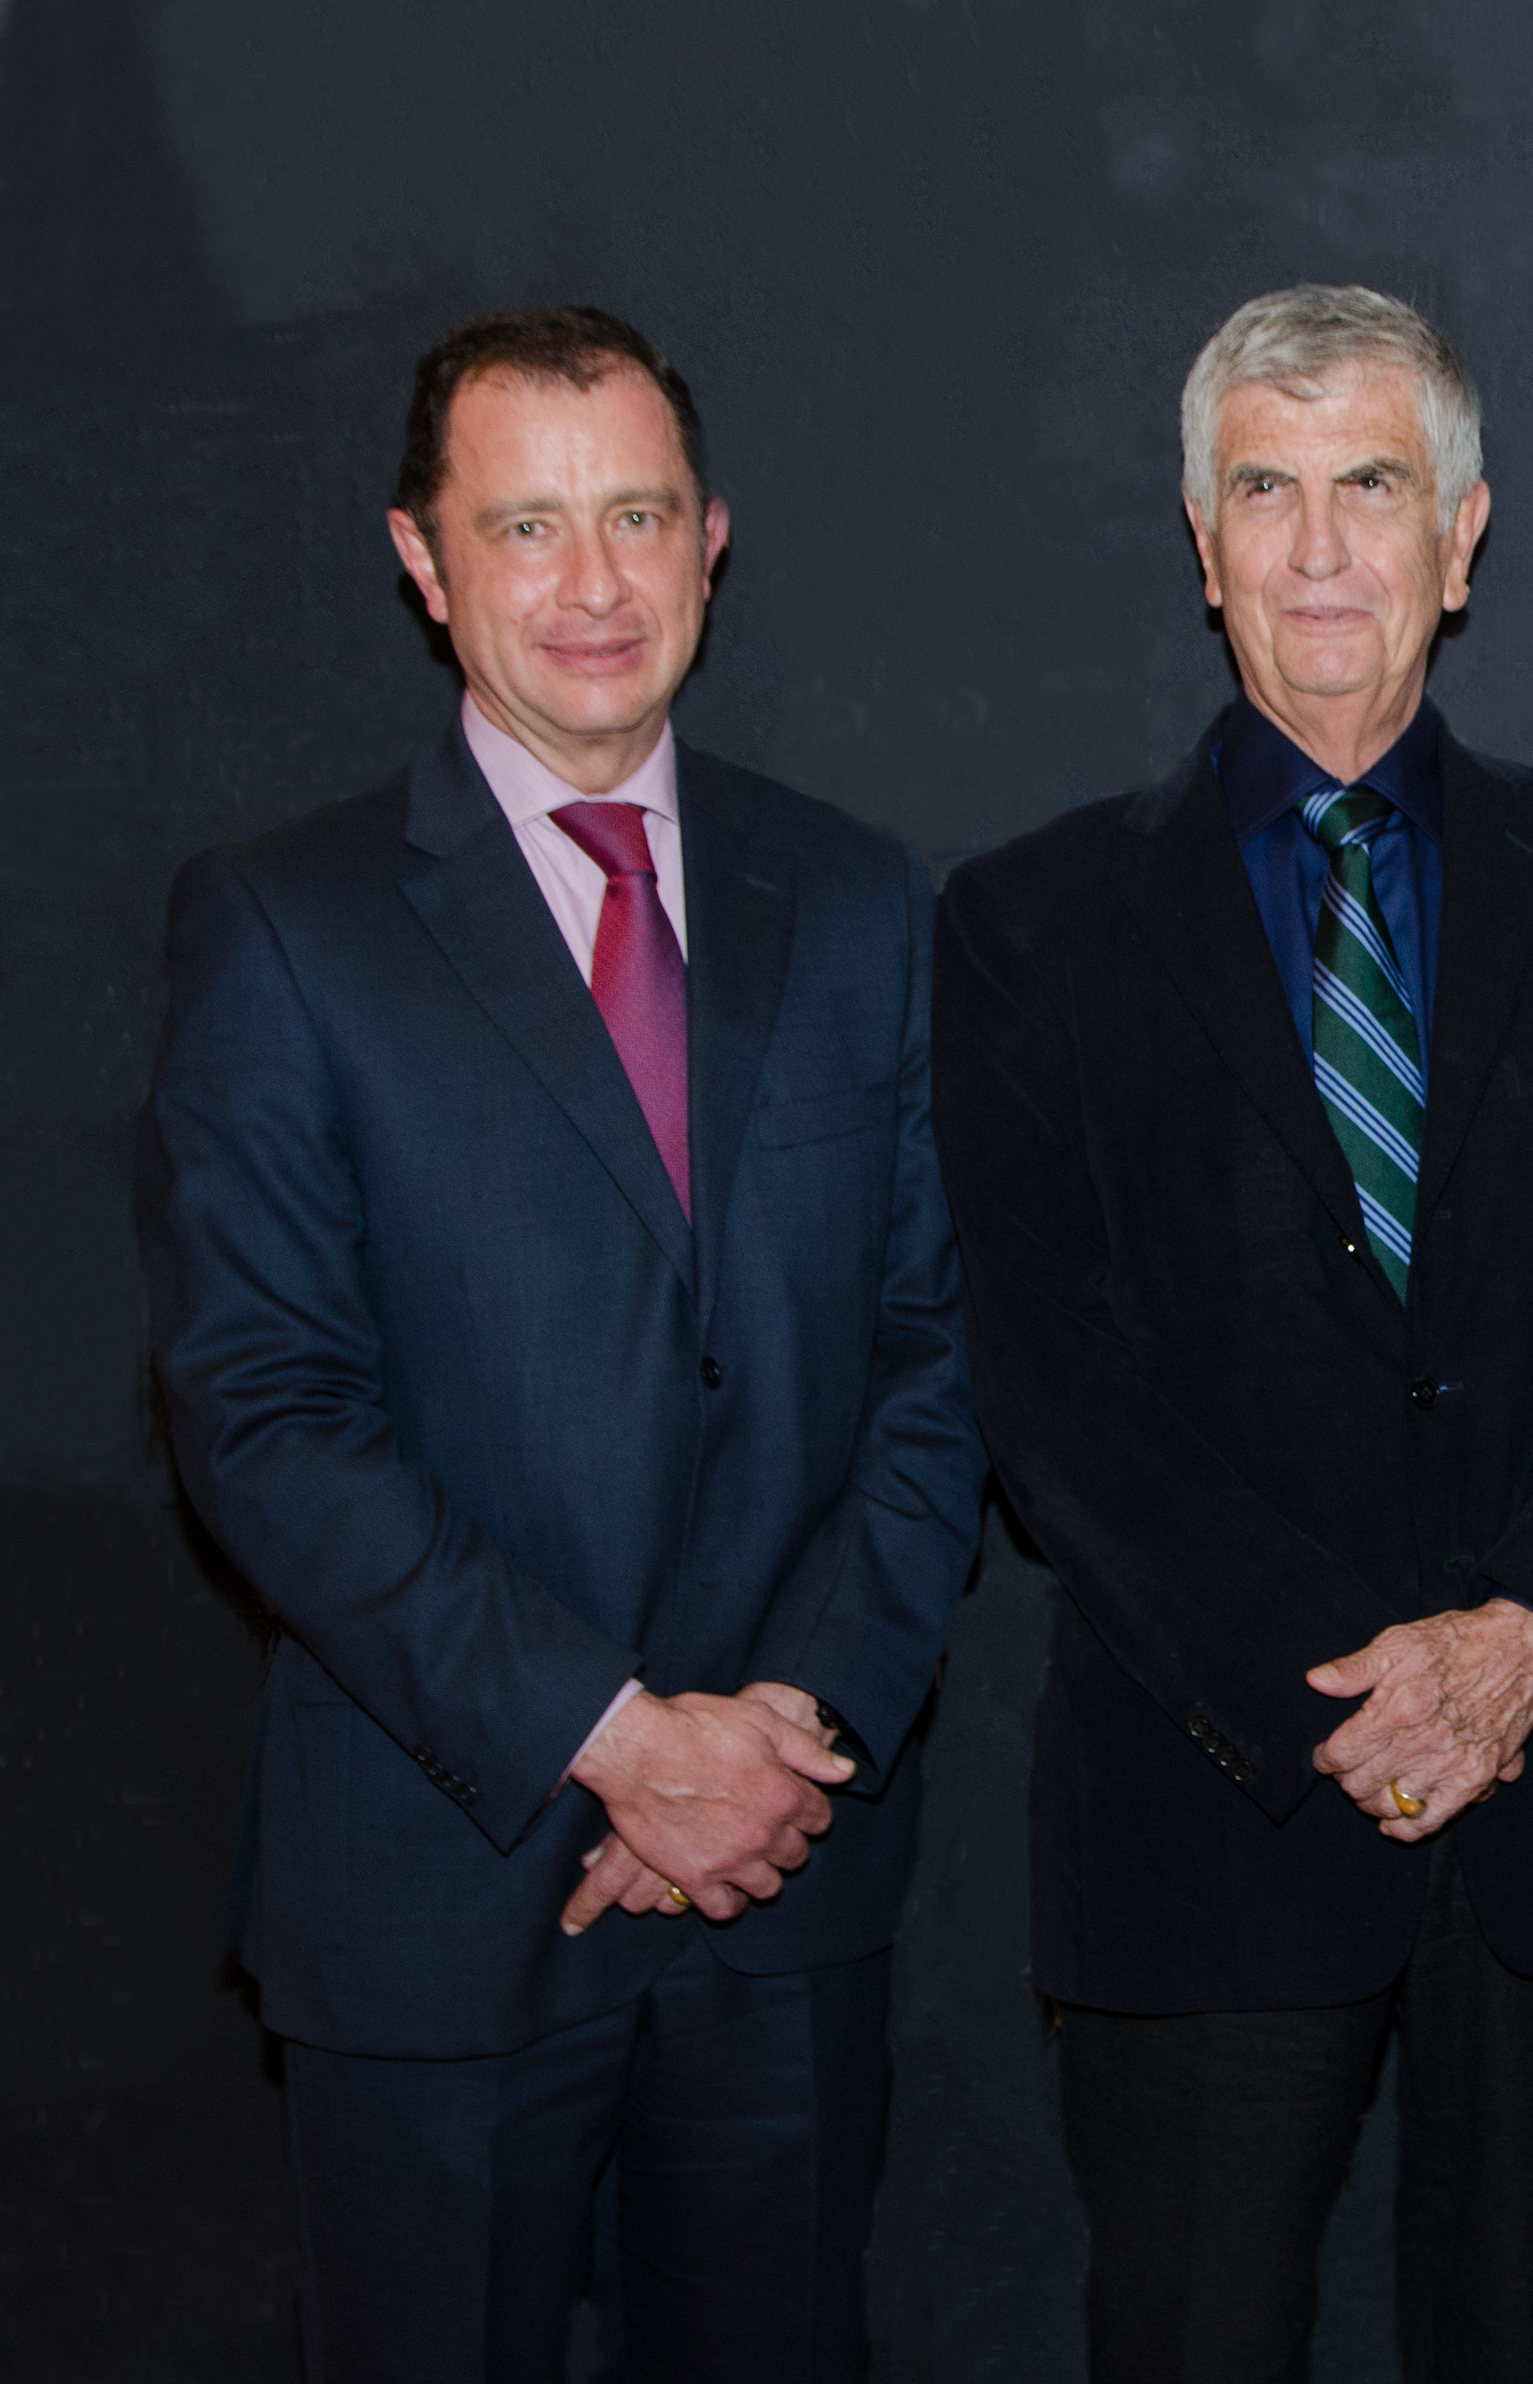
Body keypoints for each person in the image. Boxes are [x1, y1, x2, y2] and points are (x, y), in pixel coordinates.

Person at [137, 306, 985, 2383]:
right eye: (525, 526)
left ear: (714, 540)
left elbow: (939, 1358)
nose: (591, 583)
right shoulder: (286, 925)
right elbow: (265, 1413)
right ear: (422, 564)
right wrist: (618, 1738)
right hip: (439, 1895)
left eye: (636, 518)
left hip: (785, 1883)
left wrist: (781, 1734)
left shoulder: (864, 901)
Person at [932, 284, 1533, 2384]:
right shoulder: (1028, 925)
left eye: (1369, 485)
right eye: (1262, 492)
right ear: (1200, 547)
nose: (1315, 548)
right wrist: (1352, 1697)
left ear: (1462, 535)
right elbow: (1051, 1387)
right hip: (1214, 1811)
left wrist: (1526, 1636)